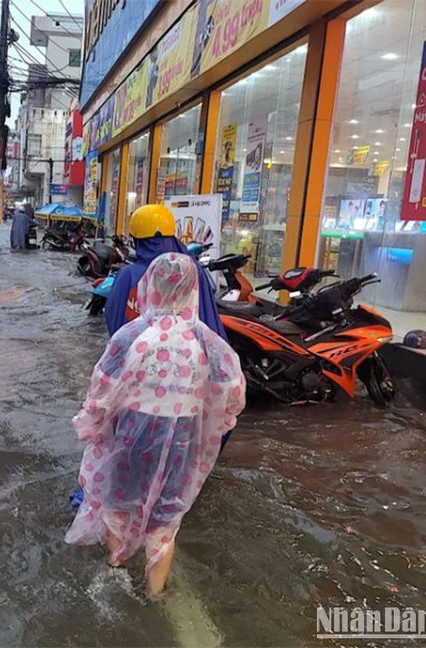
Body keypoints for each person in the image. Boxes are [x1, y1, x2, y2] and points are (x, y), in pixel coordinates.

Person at [66, 253, 246, 597]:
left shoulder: (132, 334)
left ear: (150, 286)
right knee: (164, 521)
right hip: (181, 436)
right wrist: (217, 422)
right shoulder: (208, 342)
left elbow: (101, 388)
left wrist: (92, 425)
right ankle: (154, 594)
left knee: (118, 504)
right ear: (193, 289)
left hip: (131, 432)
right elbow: (231, 392)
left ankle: (116, 569)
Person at [105, 204, 226, 340]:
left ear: (136, 240)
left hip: (139, 350)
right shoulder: (192, 270)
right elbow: (208, 316)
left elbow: (114, 319)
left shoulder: (128, 275)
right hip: (188, 349)